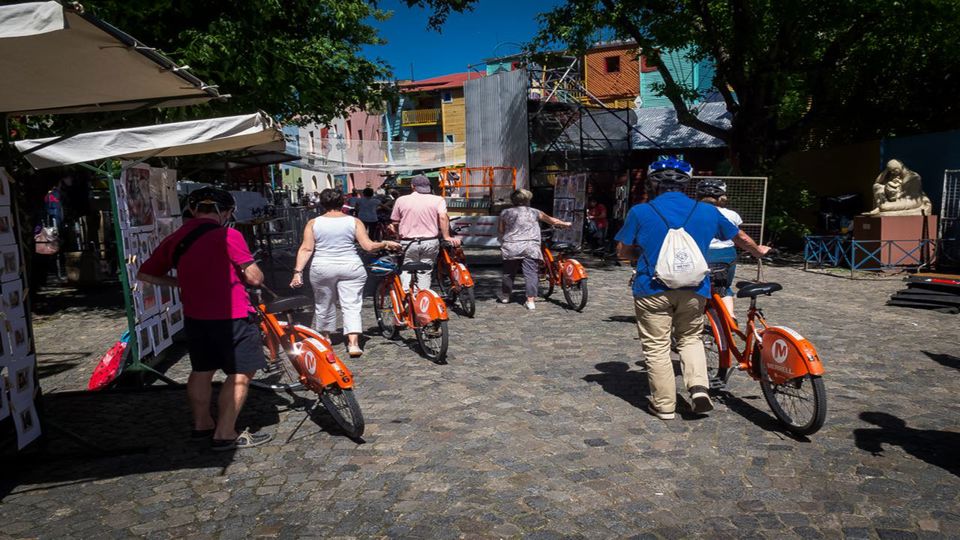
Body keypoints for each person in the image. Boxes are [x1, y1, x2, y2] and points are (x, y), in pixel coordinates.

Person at [615, 158, 770, 420]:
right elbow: (739, 237)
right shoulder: (708, 212)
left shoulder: (640, 212)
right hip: (695, 288)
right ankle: (699, 389)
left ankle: (664, 406)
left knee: (657, 346)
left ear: (654, 183)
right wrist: (758, 250)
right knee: (690, 338)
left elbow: (622, 252)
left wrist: (637, 254)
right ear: (687, 183)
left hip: (651, 289)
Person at [138, 188, 272, 451]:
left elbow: (146, 274)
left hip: (196, 316)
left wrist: (180, 282)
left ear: (193, 209)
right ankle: (225, 433)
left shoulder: (176, 238)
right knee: (241, 372)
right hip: (232, 315)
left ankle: (202, 425)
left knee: (202, 371)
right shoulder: (229, 234)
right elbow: (254, 278)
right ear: (226, 212)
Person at [290, 189, 400, 357]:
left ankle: (326, 339)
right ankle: (354, 344)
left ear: (322, 204)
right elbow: (368, 246)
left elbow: (306, 249)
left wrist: (297, 272)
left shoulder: (313, 223)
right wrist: (384, 243)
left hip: (323, 267)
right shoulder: (354, 221)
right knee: (352, 305)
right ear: (342, 203)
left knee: (323, 303)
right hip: (351, 266)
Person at [497, 189, 571, 310]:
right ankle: (530, 301)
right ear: (527, 200)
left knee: (508, 273)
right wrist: (565, 224)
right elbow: (552, 221)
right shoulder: (534, 212)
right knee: (531, 273)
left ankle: (506, 296)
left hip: (511, 246)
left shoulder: (505, 212)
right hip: (530, 246)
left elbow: (501, 230)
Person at [390, 175, 459, 291]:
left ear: (412, 186)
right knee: (425, 271)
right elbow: (443, 217)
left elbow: (395, 222)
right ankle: (423, 297)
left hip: (408, 242)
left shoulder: (401, 200)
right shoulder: (438, 200)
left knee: (406, 267)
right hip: (430, 242)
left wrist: (397, 236)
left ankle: (407, 297)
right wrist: (446, 236)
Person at [696, 178, 744, 315]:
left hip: (702, 252)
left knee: (695, 285)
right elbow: (738, 234)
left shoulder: (693, 213)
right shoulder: (732, 214)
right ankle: (730, 318)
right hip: (725, 253)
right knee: (725, 287)